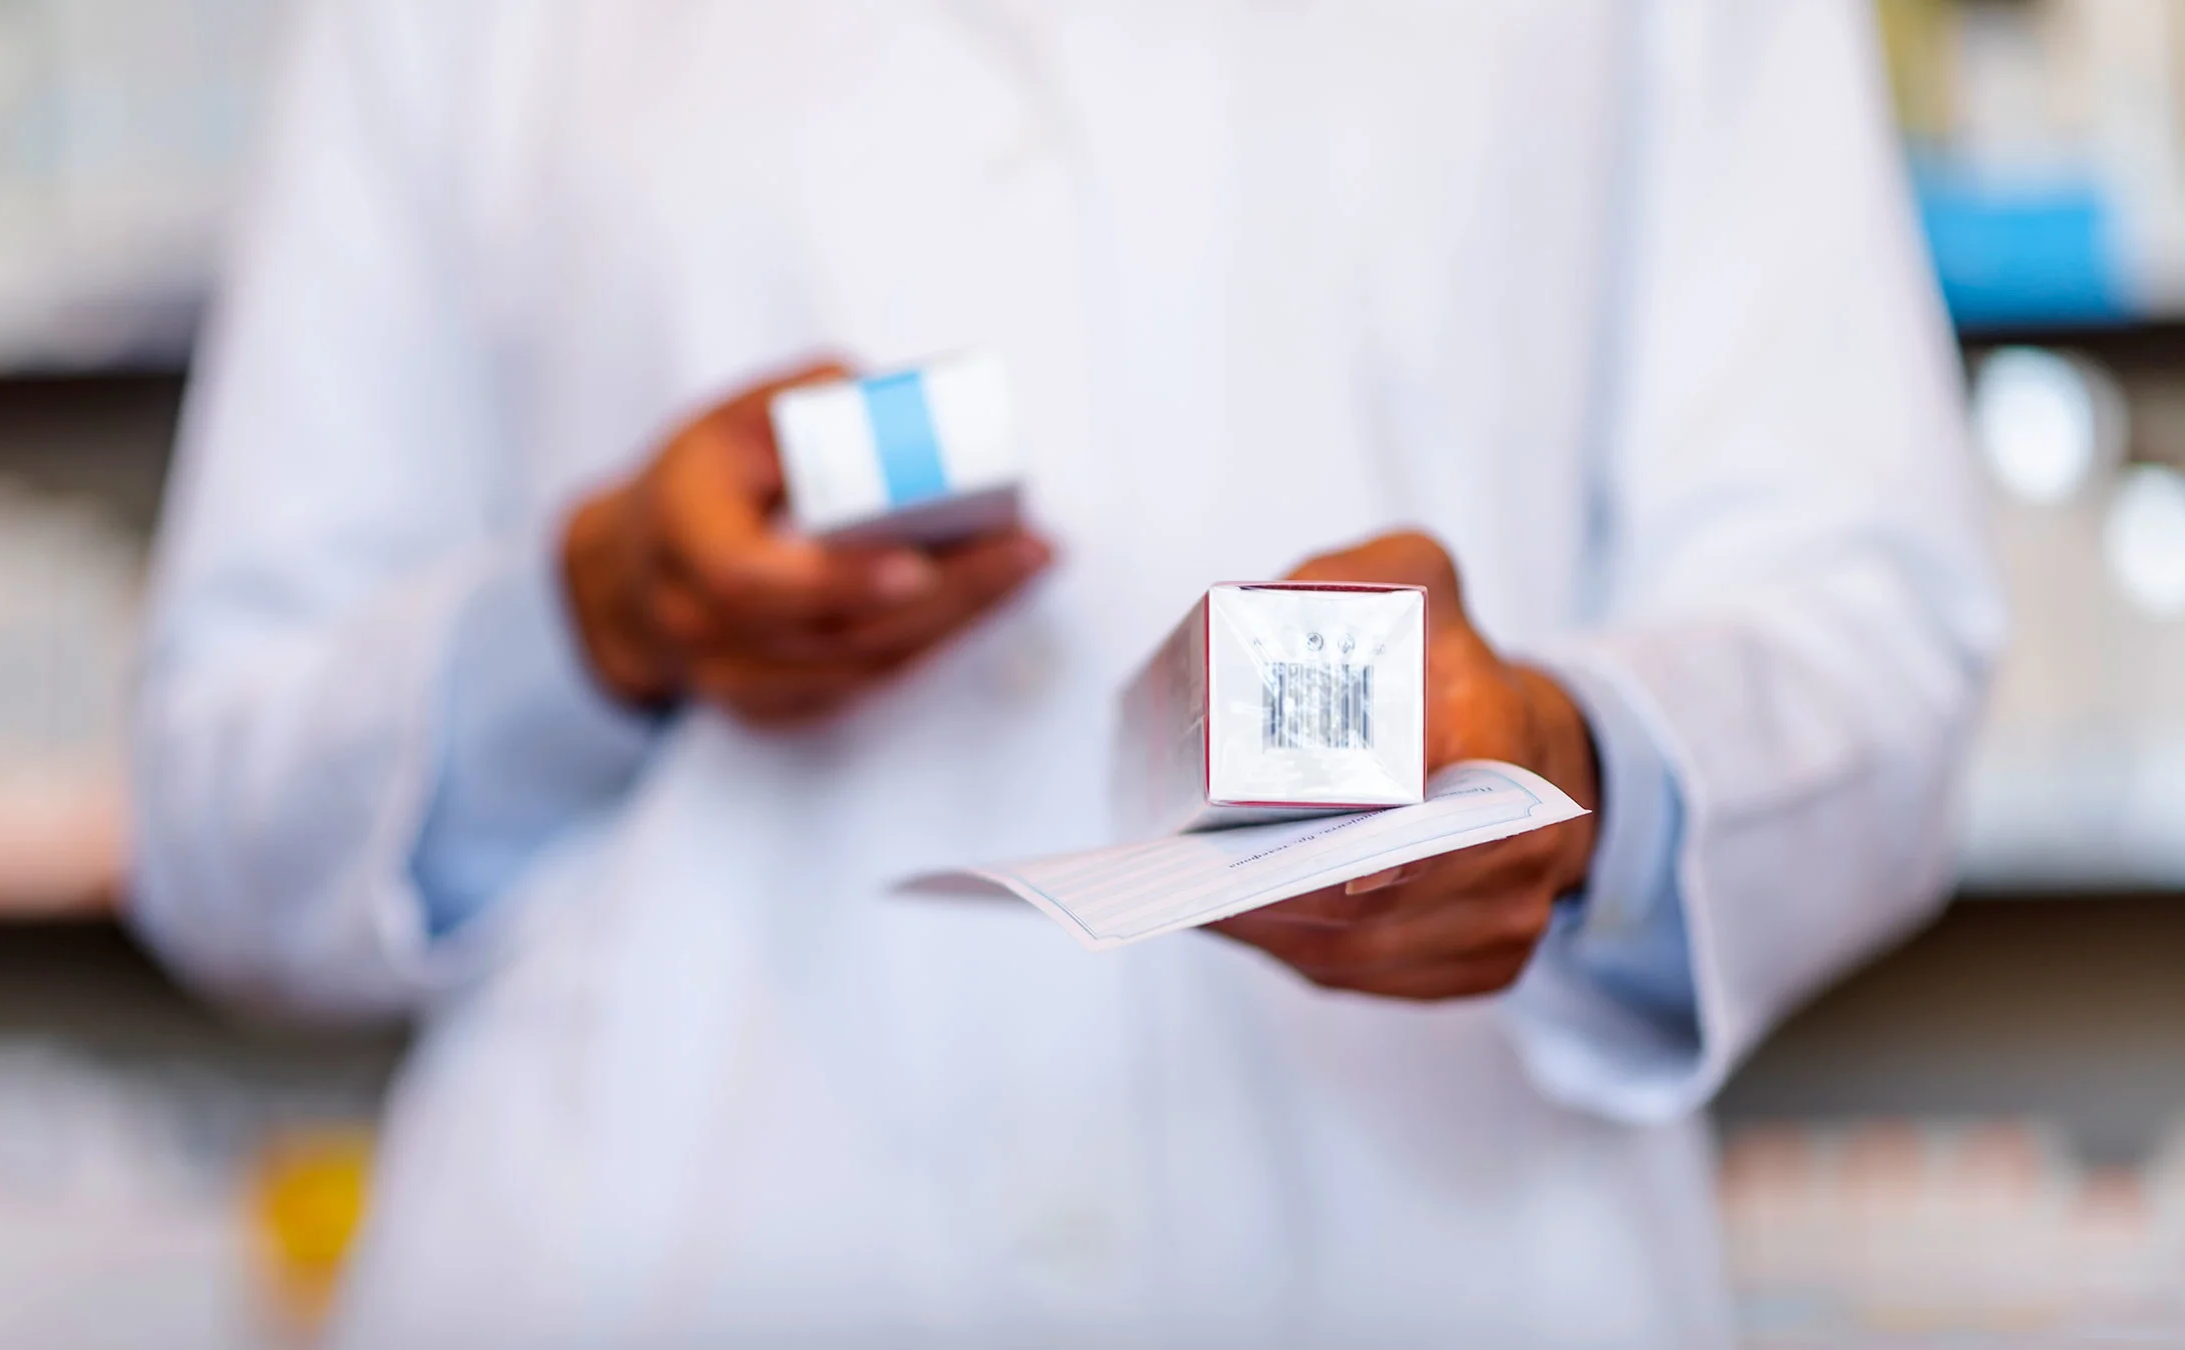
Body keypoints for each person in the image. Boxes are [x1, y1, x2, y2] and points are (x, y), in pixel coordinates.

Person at [133, 1, 2003, 1344]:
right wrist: (605, 621)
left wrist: (1567, 774)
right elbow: (222, 813)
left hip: (1417, 1257)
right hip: (660, 1252)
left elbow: (1866, 628)